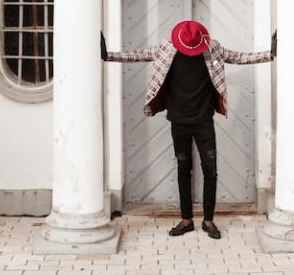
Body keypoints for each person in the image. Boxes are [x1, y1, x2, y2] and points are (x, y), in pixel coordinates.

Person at [101, 20, 277, 239]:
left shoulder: (213, 48)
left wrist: (269, 54)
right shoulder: (167, 48)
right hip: (179, 121)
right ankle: (186, 220)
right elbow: (139, 54)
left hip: (204, 121)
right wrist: (107, 55)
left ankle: (208, 221)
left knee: (210, 170)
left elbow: (239, 57)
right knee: (183, 169)